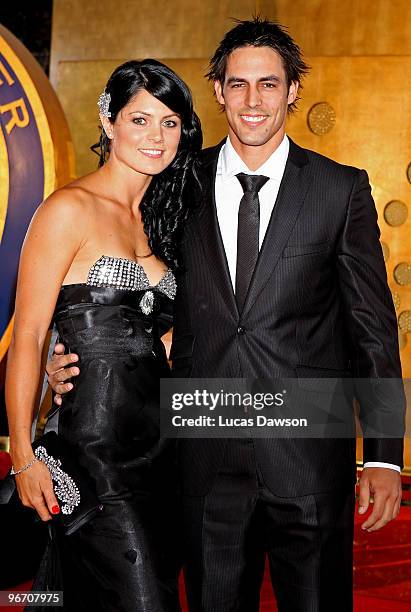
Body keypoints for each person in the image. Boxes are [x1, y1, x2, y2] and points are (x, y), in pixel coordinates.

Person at [47, 18, 405, 612]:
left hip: (311, 458)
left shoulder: (341, 190)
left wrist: (386, 452)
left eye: (268, 84)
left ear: (293, 90)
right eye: (237, 85)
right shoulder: (175, 185)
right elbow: (141, 298)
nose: (252, 100)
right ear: (217, 91)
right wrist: (73, 360)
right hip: (203, 459)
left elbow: (372, 327)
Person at [6, 59, 202, 611]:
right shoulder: (68, 209)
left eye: (169, 123)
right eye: (140, 120)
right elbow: (28, 337)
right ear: (108, 121)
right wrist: (22, 454)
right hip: (92, 455)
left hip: (164, 454)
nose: (156, 137)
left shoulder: (165, 220)